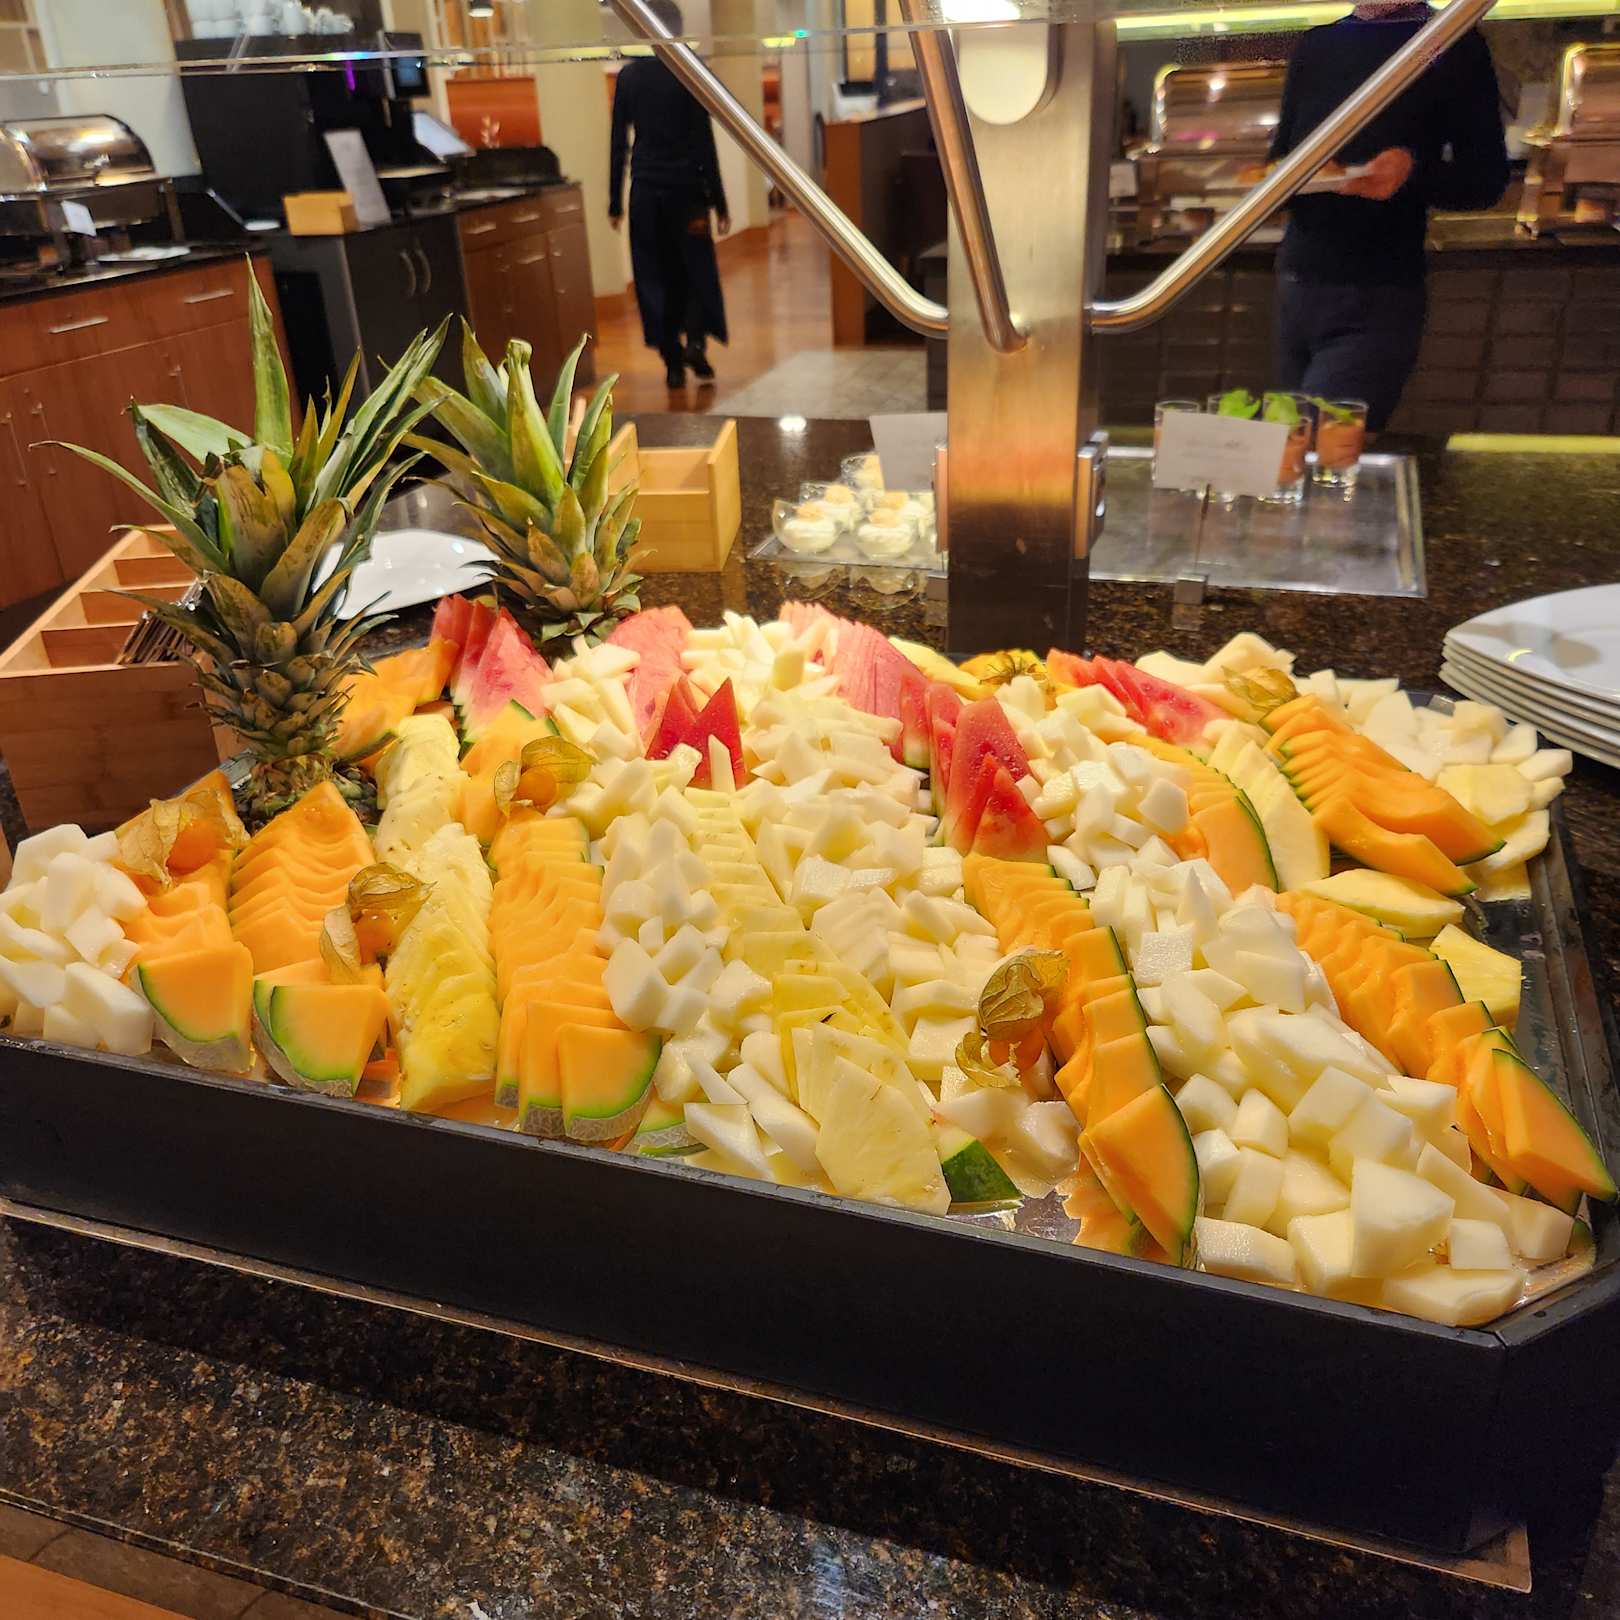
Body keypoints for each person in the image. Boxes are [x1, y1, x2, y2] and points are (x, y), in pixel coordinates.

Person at [1267, 1, 1509, 435]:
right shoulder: (1317, 44)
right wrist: (1271, 180)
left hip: (1377, 292)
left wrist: (1410, 172)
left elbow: (1484, 182)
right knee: (1287, 449)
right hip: (1296, 283)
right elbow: (1281, 158)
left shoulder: (1451, 43)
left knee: (1324, 447)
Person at [608, 0, 731, 391]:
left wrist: (614, 201)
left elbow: (618, 143)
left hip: (646, 193)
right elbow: (704, 142)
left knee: (653, 276)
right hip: (688, 191)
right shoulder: (690, 71)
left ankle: (672, 362)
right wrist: (719, 201)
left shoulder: (629, 77)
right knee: (696, 270)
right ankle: (695, 342)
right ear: (677, 30)